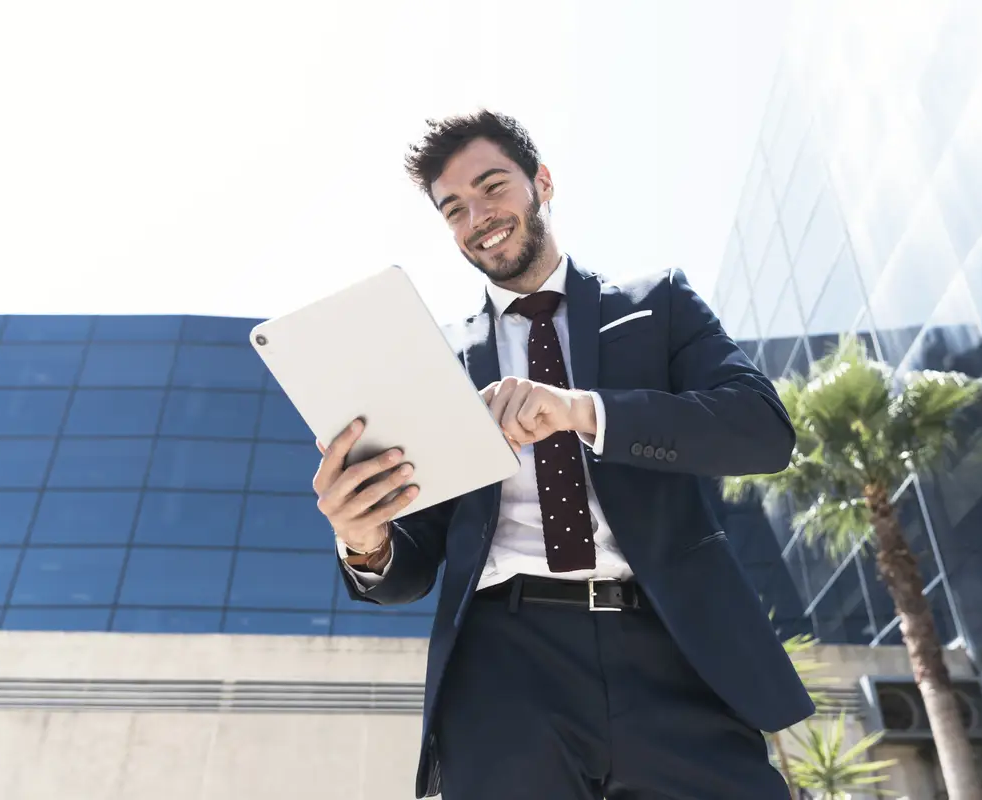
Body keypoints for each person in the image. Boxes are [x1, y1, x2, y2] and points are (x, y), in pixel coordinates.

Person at [312, 110, 813, 800]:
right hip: (505, 666)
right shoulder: (439, 363)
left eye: (492, 188)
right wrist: (364, 541)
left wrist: (582, 410)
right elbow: (416, 563)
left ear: (542, 181)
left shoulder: (655, 304)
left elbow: (761, 431)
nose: (478, 217)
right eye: (454, 209)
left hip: (674, 647)